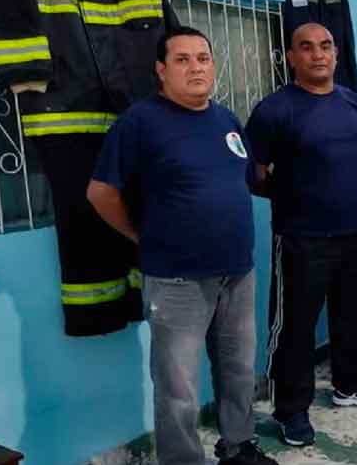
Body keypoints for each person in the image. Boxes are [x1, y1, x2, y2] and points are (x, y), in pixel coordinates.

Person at [86, 26, 277, 465]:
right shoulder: (139, 122)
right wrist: (140, 234)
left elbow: (240, 180)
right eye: (183, 59)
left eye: (203, 58)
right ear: (161, 70)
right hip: (176, 279)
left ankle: (238, 445)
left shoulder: (227, 120)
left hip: (237, 271)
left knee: (237, 369)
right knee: (178, 388)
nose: (196, 67)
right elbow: (100, 193)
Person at [245, 22, 357, 447]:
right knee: (295, 328)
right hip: (300, 237)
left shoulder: (354, 104)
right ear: (292, 57)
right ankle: (291, 411)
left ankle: (350, 385)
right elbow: (254, 174)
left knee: (352, 316)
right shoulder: (274, 110)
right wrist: (295, 196)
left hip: (353, 233)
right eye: (306, 48)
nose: (318, 54)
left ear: (336, 54)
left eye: (326, 46)